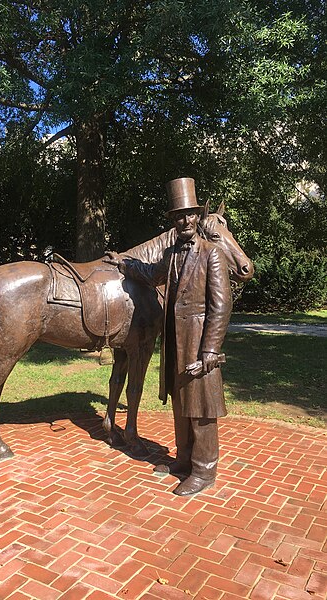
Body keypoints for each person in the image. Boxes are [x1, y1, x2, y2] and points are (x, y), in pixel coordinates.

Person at [106, 177, 232, 496]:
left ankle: (204, 471)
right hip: (176, 342)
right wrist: (124, 262)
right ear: (174, 221)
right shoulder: (175, 252)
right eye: (179, 216)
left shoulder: (212, 254)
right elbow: (152, 274)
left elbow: (221, 306)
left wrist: (210, 351)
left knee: (201, 408)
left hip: (199, 342)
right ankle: (183, 459)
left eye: (190, 214)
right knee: (181, 404)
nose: (185, 220)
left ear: (198, 216)